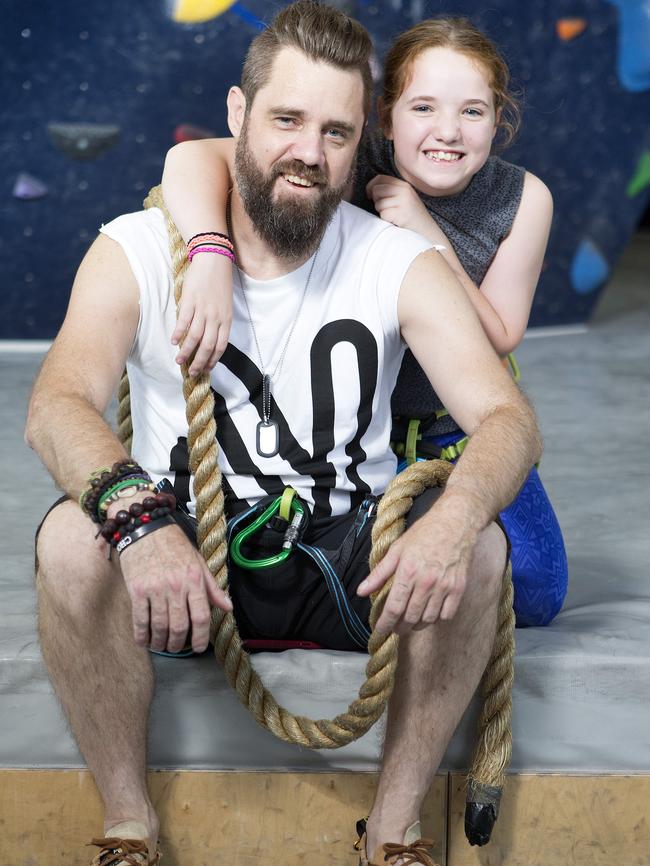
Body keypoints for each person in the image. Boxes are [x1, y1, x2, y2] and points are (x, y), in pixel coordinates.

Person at [26, 3, 541, 865]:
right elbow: (57, 404)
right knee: (73, 541)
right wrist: (142, 526)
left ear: (358, 143)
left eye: (338, 132)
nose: (311, 152)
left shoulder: (393, 257)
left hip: (344, 549)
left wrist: (451, 523)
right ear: (238, 115)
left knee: (481, 547)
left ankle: (393, 834)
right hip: (184, 548)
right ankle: (127, 827)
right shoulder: (140, 247)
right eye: (288, 120)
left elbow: (506, 417)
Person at [161, 16, 568, 628]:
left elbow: (500, 334)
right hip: (355, 435)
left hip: (449, 429)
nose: (447, 132)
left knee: (534, 590)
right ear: (386, 117)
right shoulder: (344, 158)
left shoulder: (523, 198)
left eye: (474, 112)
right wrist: (210, 251)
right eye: (423, 107)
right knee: (385, 581)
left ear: (500, 117)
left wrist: (423, 235)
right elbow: (192, 157)